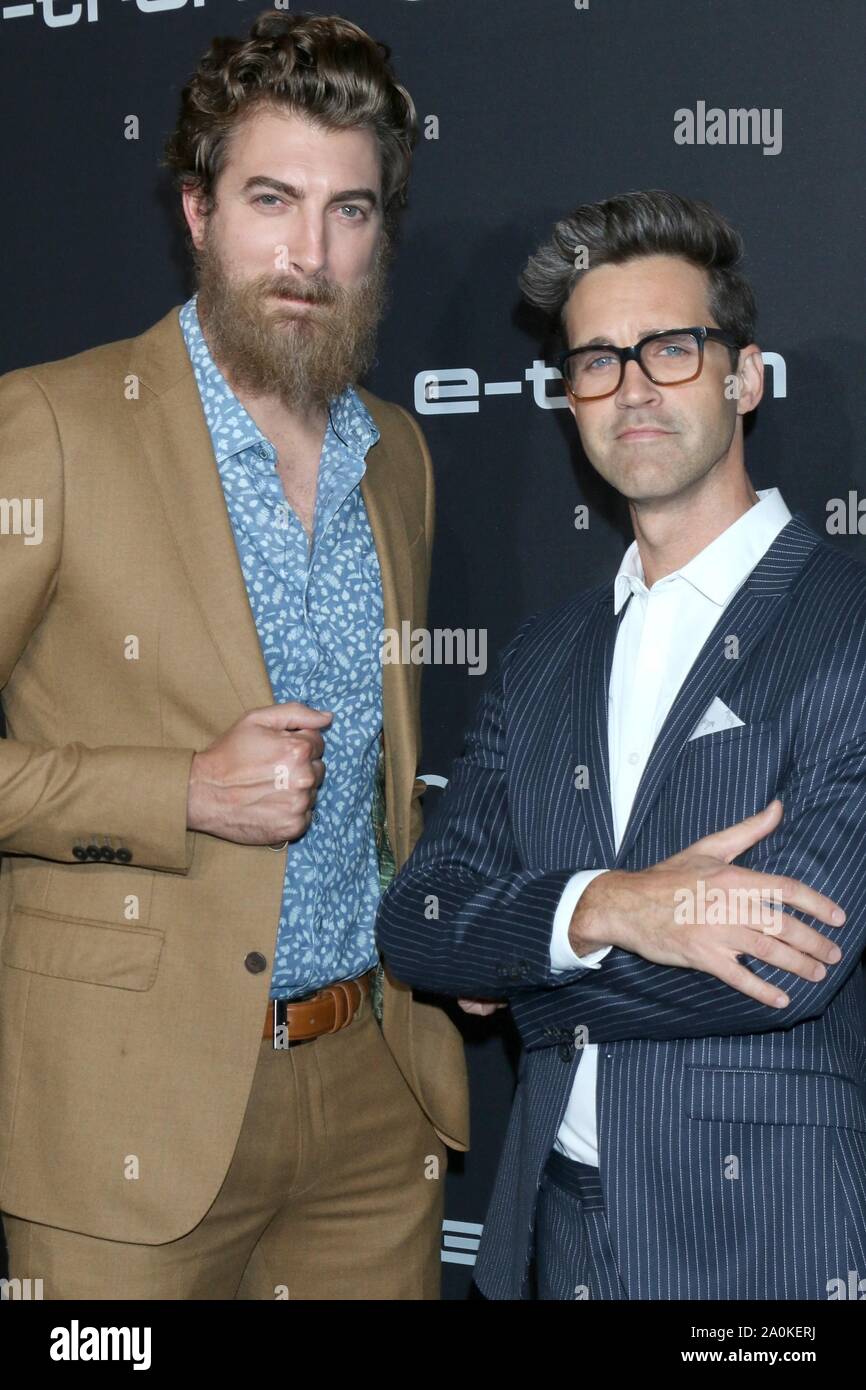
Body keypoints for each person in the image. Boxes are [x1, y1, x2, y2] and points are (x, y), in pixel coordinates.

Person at [0, 9, 467, 1300]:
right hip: (126, 1119)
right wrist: (177, 790)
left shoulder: (399, 453)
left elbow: (388, 786)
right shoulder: (48, 425)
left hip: (375, 1106)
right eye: (271, 198)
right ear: (199, 210)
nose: (307, 252)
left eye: (348, 209)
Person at [377, 189, 866, 1300]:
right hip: (557, 1234)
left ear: (743, 377)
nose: (631, 385)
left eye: (670, 348)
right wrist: (601, 909)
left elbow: (780, 967)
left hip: (764, 1240)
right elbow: (420, 918)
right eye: (596, 359)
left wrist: (532, 970)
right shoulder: (545, 653)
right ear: (568, 398)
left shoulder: (846, 628)